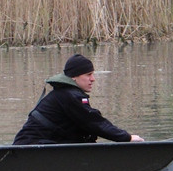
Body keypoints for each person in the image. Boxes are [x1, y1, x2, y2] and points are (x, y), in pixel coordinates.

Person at [13, 54, 144, 145]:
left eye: (92, 74)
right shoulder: (70, 96)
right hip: (32, 148)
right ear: (74, 77)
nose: (93, 79)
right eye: (88, 75)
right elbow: (94, 122)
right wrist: (128, 138)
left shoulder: (65, 94)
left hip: (38, 145)